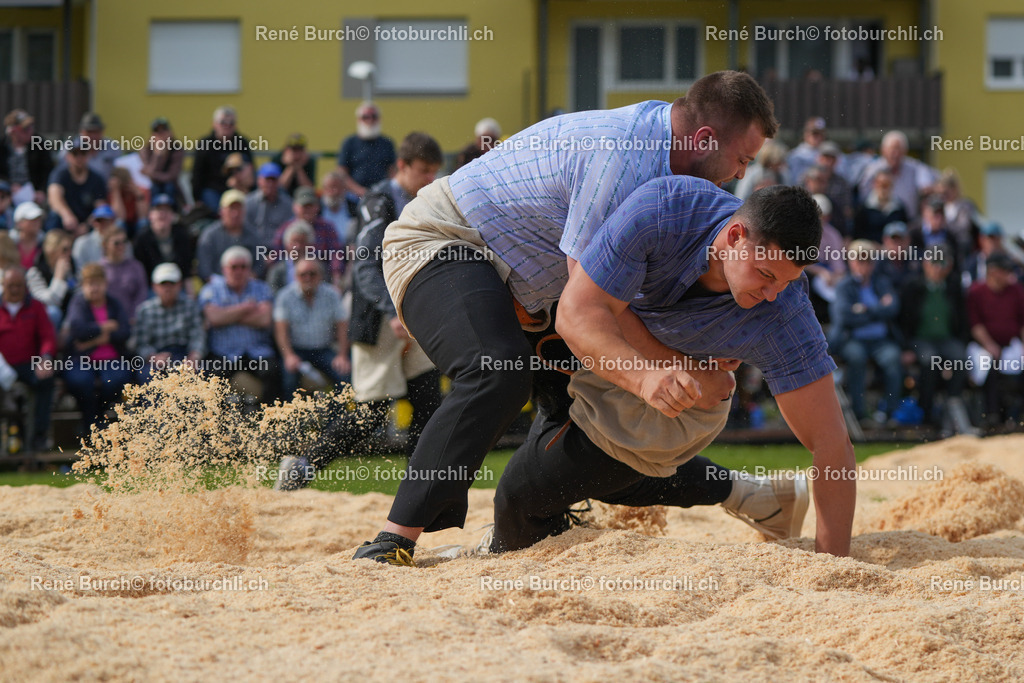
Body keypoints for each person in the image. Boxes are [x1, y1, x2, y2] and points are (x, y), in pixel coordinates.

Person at [357, 70, 777, 563]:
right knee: (498, 371)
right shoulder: (625, 158)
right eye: (741, 159)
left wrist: (699, 353)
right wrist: (668, 366)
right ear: (705, 139)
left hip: (528, 289)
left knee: (604, 432)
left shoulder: (673, 167)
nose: (739, 175)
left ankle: (745, 494)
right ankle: (394, 539)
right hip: (443, 241)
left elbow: (632, 296)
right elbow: (591, 304)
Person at [491, 183, 851, 556]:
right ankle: (758, 497)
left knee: (520, 494)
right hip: (607, 355)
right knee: (538, 372)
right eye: (765, 274)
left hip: (677, 407)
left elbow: (832, 443)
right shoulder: (666, 209)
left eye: (787, 281)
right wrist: (664, 367)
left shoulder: (785, 315)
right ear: (735, 235)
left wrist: (834, 562)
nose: (772, 293)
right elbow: (579, 306)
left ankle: (504, 541)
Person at [275, 133, 444, 489]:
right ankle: (302, 466)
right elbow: (365, 268)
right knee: (370, 414)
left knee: (428, 401)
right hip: (379, 317)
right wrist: (392, 312)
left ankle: (418, 489)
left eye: (434, 171)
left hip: (410, 313)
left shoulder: (425, 200)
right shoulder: (376, 201)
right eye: (424, 170)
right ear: (402, 166)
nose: (430, 178)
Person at [829, 240, 904, 425]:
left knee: (894, 358)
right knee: (856, 357)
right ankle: (860, 414)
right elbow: (845, 317)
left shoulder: (881, 282)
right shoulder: (844, 285)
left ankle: (891, 413)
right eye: (859, 260)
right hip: (852, 339)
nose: (864, 264)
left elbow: (894, 308)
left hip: (880, 340)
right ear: (851, 261)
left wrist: (864, 310)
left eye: (868, 260)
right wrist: (878, 309)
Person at [899, 246, 970, 429]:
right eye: (934, 263)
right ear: (925, 264)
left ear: (949, 266)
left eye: (941, 264)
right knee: (931, 361)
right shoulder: (912, 286)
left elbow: (962, 321)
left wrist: (962, 341)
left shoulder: (954, 287)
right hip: (920, 340)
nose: (937, 268)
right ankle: (927, 413)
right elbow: (903, 321)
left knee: (961, 358)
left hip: (947, 339)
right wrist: (906, 348)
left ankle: (951, 405)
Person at [199, 246, 279, 404]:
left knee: (273, 373)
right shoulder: (211, 290)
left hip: (257, 352)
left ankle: (270, 423)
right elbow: (214, 318)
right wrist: (246, 308)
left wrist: (227, 315)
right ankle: (216, 426)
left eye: (243, 267)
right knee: (211, 379)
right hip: (223, 353)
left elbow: (264, 320)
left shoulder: (261, 288)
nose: (239, 271)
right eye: (234, 267)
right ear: (224, 269)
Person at [63, 263, 133, 434]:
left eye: (98, 283)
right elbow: (78, 329)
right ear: (83, 286)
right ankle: (90, 425)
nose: (94, 288)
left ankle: (99, 420)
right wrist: (106, 327)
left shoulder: (114, 303)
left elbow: (125, 331)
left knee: (115, 380)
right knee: (81, 381)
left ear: (105, 284)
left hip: (112, 358)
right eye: (89, 284)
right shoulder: (78, 302)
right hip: (82, 358)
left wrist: (94, 340)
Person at [273, 258, 350, 398]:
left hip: (323, 349)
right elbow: (281, 330)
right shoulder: (285, 296)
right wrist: (288, 355)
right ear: (296, 277)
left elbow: (342, 326)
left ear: (320, 276)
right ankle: (292, 419)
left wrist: (342, 355)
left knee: (344, 376)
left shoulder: (332, 294)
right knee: (289, 380)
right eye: (303, 274)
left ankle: (336, 419)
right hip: (297, 350)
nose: (307, 278)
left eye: (312, 274)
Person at [0, 267, 56, 451]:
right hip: (2, 365)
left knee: (46, 380)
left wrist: (45, 358)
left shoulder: (36, 306)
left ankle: (38, 436)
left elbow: (47, 336)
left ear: (25, 287)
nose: (15, 290)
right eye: (10, 286)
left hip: (28, 363)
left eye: (19, 286)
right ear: (3, 286)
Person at [966, 253, 1024, 428]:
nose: (1008, 274)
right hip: (983, 346)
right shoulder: (976, 292)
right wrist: (989, 345)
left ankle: (1015, 416)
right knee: (988, 367)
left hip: (1011, 345)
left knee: (1017, 371)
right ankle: (991, 417)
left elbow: (1022, 322)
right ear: (992, 271)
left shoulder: (1016, 291)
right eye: (1004, 270)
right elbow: (975, 324)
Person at [134, 263, 205, 381]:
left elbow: (198, 336)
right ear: (154, 286)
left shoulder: (190, 306)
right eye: (163, 284)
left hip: (185, 353)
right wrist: (154, 357)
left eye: (171, 283)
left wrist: (194, 357)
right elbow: (141, 343)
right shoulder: (145, 310)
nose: (168, 288)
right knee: (148, 377)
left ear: (179, 285)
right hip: (157, 355)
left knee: (199, 375)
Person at [858, 131, 938, 221]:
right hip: (878, 222)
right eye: (892, 149)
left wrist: (926, 185)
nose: (895, 154)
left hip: (908, 222)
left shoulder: (914, 167)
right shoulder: (872, 170)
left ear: (905, 151)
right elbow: (863, 196)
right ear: (883, 150)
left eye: (898, 149)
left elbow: (930, 177)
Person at [271, 186, 345, 284]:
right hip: (289, 277)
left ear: (317, 207)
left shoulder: (327, 228)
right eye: (304, 206)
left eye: (311, 206)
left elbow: (336, 253)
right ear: (295, 207)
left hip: (320, 276)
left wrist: (336, 276)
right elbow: (275, 254)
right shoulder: (285, 229)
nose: (308, 210)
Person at [336, 102, 396, 216]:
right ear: (358, 120)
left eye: (374, 116)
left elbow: (392, 171)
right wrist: (359, 191)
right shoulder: (349, 143)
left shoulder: (387, 143)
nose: (370, 120)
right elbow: (342, 173)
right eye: (365, 117)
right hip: (353, 198)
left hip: (381, 196)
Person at [191, 106, 254, 211]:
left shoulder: (242, 143)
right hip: (212, 189)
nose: (227, 126)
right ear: (214, 124)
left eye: (231, 123)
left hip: (237, 187)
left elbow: (251, 171)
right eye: (223, 122)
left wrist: (239, 180)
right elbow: (197, 174)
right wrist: (196, 198)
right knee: (217, 209)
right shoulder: (205, 144)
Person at [196, 189, 263, 281]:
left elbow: (259, 266)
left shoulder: (254, 235)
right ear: (221, 211)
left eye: (239, 208)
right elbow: (205, 269)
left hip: (247, 285)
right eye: (231, 208)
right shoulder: (209, 236)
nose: (235, 213)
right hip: (217, 286)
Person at [46, 137, 107, 234]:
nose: (79, 158)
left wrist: (87, 225)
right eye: (75, 154)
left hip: (88, 224)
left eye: (83, 154)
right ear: (68, 156)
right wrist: (66, 215)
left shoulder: (96, 178)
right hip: (66, 222)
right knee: (54, 216)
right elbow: (54, 197)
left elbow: (100, 206)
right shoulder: (60, 174)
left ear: (88, 156)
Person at [132, 194, 194, 283]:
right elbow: (140, 270)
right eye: (158, 209)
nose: (162, 214)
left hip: (177, 284)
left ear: (173, 215)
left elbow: (187, 267)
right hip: (152, 286)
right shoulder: (142, 239)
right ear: (150, 215)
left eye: (167, 210)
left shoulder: (182, 235)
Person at [1, 109, 53, 207]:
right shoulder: (2, 147)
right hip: (7, 195)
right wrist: (10, 186)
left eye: (31, 127)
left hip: (34, 195)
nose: (30, 131)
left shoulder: (39, 144)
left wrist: (41, 191)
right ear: (13, 131)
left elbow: (47, 171)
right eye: (25, 129)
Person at [26, 230, 75, 329]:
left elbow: (78, 298)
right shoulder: (35, 272)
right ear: (51, 250)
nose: (69, 253)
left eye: (70, 249)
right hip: (43, 323)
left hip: (69, 321)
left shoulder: (72, 267)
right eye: (65, 249)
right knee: (53, 312)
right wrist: (59, 277)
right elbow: (49, 303)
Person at [101, 228, 148, 323]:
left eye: (124, 241)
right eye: (116, 243)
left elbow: (141, 293)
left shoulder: (136, 266)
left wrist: (134, 315)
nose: (121, 246)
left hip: (132, 319)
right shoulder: (99, 268)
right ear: (105, 245)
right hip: (107, 320)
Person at [73, 204, 132, 275]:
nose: (104, 224)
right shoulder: (82, 242)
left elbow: (129, 265)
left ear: (113, 222)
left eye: (108, 221)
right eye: (99, 221)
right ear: (93, 222)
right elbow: (79, 269)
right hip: (90, 281)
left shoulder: (124, 242)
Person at [853, 170, 908, 244]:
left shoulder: (899, 208)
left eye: (886, 185)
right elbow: (857, 234)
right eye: (880, 184)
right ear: (874, 184)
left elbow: (905, 232)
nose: (883, 188)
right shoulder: (864, 208)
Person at [139, 117, 184, 205]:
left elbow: (172, 176)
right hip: (151, 185)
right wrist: (158, 154)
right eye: (157, 132)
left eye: (164, 130)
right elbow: (149, 177)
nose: (161, 135)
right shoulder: (146, 150)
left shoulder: (177, 149)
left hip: (170, 186)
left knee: (169, 186)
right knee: (153, 188)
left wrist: (151, 174)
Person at [245, 163, 292, 247]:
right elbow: (245, 231)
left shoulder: (288, 204)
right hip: (253, 249)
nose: (270, 184)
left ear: (279, 181)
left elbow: (288, 232)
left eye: (273, 180)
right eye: (267, 179)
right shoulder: (248, 203)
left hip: (280, 251)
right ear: (259, 180)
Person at [266, 220, 314, 293]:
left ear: (309, 245)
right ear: (287, 244)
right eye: (294, 242)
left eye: (302, 242)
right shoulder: (277, 270)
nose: (298, 247)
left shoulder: (318, 268)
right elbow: (273, 292)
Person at [786, 116, 827, 186]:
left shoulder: (829, 153)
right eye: (814, 133)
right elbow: (794, 179)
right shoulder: (795, 155)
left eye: (820, 134)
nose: (818, 137)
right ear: (806, 134)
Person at [11, 201, 43, 269]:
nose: (36, 223)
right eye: (32, 219)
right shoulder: (8, 242)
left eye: (38, 219)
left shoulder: (45, 242)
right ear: (19, 223)